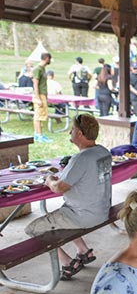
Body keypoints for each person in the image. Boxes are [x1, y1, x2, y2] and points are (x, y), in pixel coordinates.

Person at [25, 114, 111, 279]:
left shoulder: (81, 158)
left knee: (33, 229)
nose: (69, 133)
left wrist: (49, 179)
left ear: (79, 133)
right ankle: (83, 251)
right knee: (62, 214)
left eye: (71, 130)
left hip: (83, 216)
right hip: (101, 211)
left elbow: (59, 188)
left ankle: (67, 263)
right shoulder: (103, 152)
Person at [31, 52, 53, 143]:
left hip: (43, 94)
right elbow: (35, 83)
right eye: (50, 59)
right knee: (39, 116)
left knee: (40, 115)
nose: (50, 61)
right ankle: (39, 135)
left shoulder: (43, 69)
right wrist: (37, 98)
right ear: (47, 58)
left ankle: (37, 134)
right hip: (39, 95)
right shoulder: (37, 69)